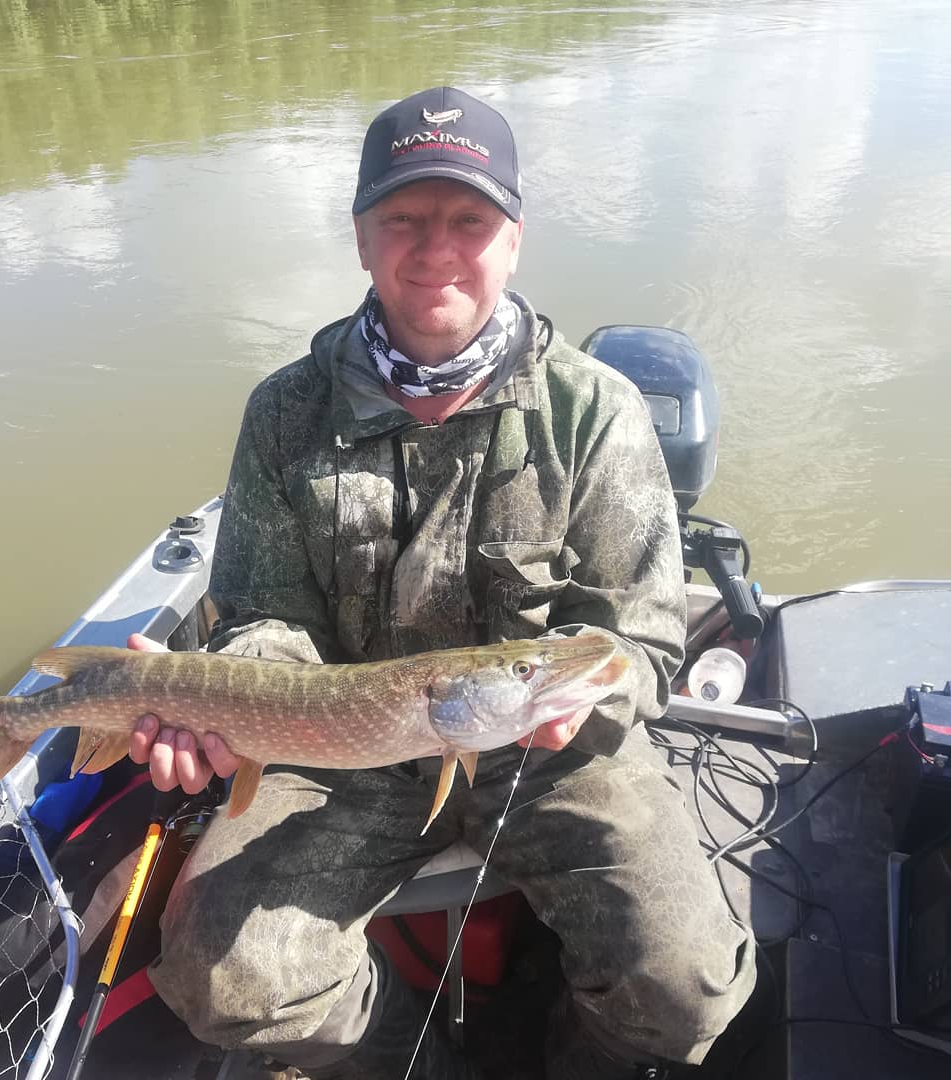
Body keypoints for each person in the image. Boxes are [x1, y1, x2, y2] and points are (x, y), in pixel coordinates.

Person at [127, 87, 756, 1079]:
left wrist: (584, 698)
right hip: (340, 753)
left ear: (514, 240)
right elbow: (268, 616)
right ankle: (401, 1057)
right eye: (404, 220)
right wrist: (218, 702)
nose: (436, 250)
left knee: (687, 989)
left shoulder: (595, 410)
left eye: (469, 220)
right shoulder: (285, 413)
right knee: (223, 980)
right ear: (361, 237)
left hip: (551, 748)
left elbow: (638, 641)